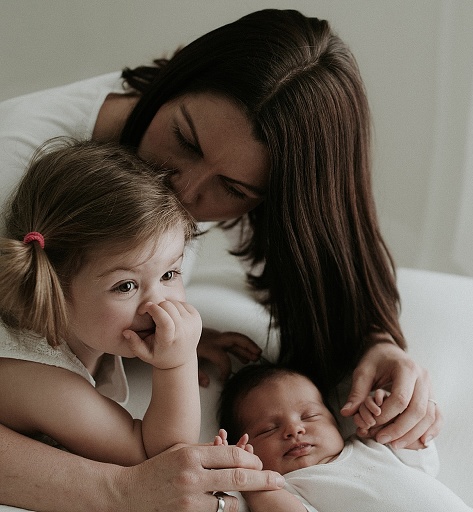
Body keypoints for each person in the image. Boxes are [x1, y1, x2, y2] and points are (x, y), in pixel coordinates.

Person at [0, 8, 438, 512]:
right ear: (176, 80)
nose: (181, 189)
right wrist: (120, 491)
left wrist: (375, 340)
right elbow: (153, 454)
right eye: (185, 142)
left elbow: (320, 255)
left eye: (232, 188)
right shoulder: (19, 175)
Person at [0, 139, 205, 464]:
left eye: (169, 275)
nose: (157, 305)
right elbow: (156, 454)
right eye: (126, 286)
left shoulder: (82, 324)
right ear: (54, 286)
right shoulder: (43, 382)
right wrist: (178, 362)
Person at [216, 363, 473, 512]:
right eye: (269, 429)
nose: (295, 429)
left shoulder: (371, 447)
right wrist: (253, 481)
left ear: (336, 421)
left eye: (310, 415)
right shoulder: (289, 487)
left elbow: (422, 457)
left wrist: (387, 416)